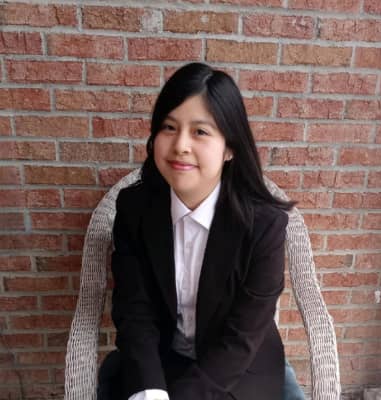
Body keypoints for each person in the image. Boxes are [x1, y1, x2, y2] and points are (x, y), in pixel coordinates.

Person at [98, 62, 305, 400]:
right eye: (169, 127)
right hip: (159, 364)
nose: (180, 145)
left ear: (230, 147)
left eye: (200, 132)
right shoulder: (134, 209)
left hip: (236, 371)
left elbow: (244, 335)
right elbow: (134, 311)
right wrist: (150, 390)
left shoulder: (264, 225)